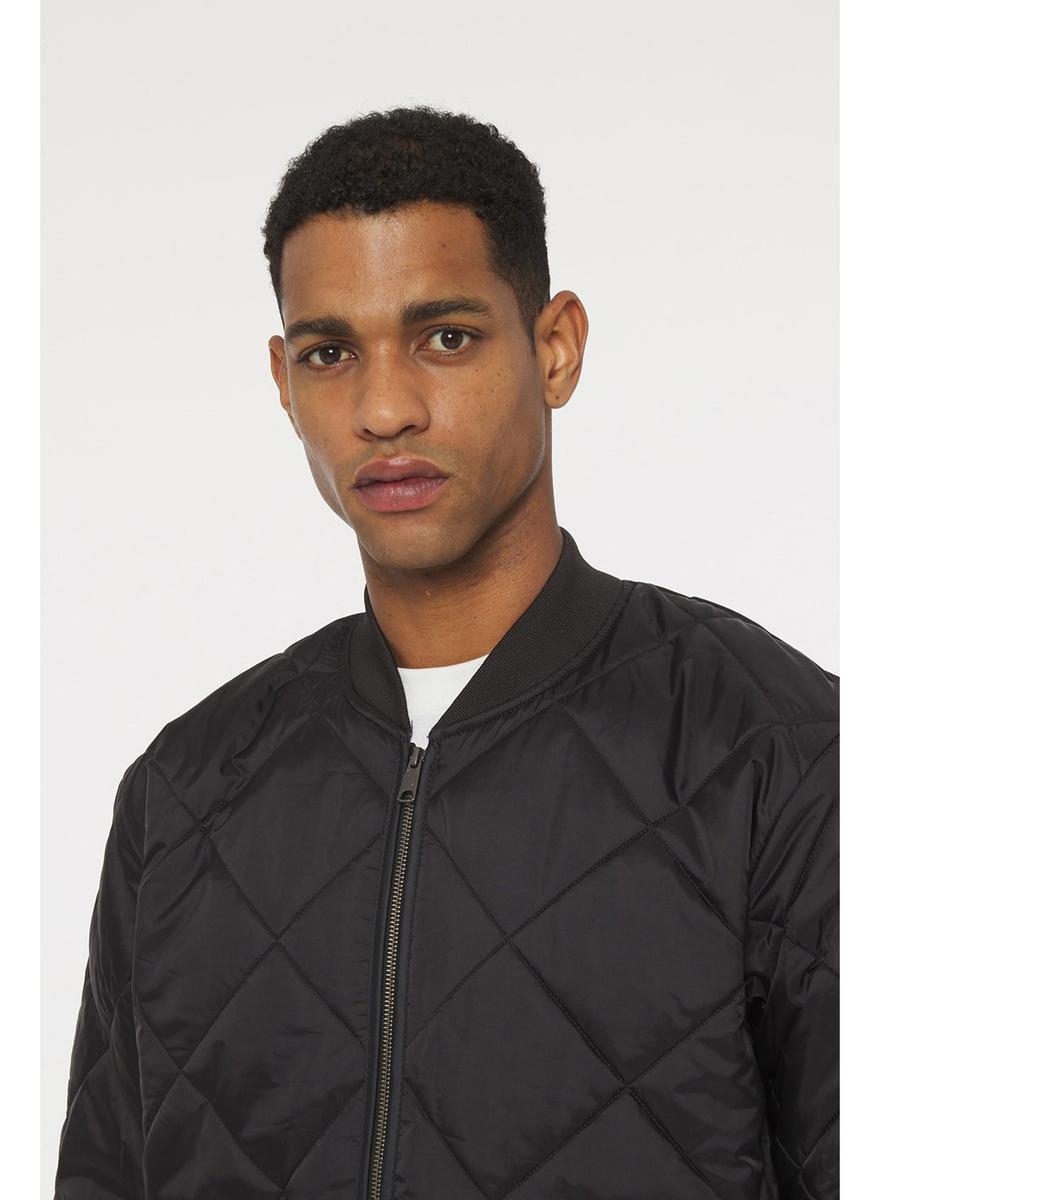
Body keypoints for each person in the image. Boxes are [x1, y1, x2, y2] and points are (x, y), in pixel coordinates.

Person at [54, 105, 839, 1200]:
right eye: (331, 353)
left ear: (555, 347)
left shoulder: (780, 754)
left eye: (447, 338)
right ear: (284, 382)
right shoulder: (183, 795)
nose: (384, 409)